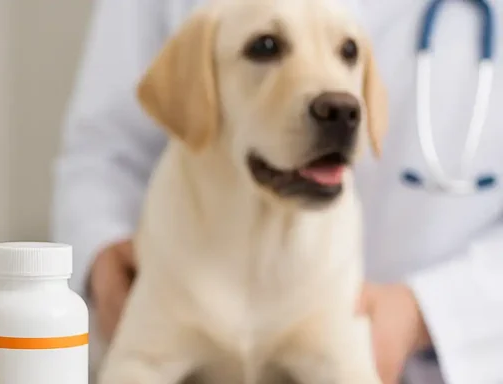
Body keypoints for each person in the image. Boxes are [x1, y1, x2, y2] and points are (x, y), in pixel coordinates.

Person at [50, 0, 503, 383]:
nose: (336, 98)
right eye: (266, 47)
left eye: (347, 52)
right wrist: (102, 249)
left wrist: (430, 310)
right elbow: (104, 147)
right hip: (182, 256)